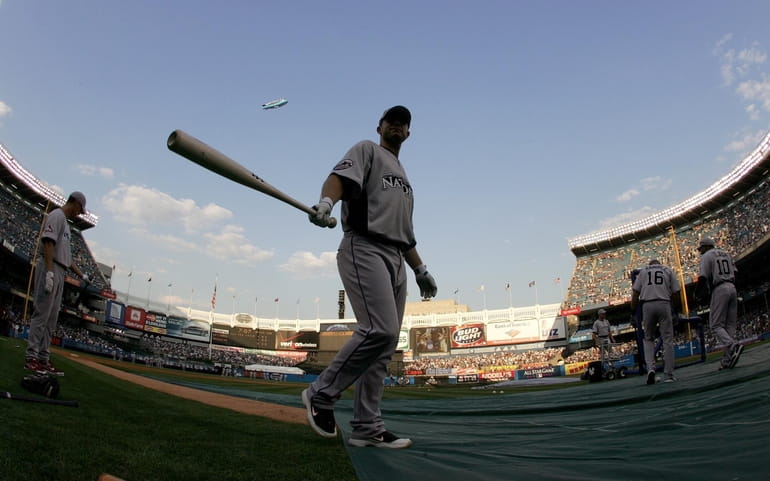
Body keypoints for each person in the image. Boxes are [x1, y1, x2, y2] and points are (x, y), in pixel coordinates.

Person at [302, 106, 437, 449]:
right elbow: (339, 179)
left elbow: (405, 233)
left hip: (396, 258)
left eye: (403, 122)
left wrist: (420, 269)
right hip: (364, 247)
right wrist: (326, 202)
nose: (397, 125)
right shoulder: (367, 150)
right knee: (380, 329)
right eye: (392, 120)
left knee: (384, 346)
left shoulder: (405, 181)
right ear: (380, 126)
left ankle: (366, 427)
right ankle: (320, 394)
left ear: (409, 133)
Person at [24, 192, 90, 376]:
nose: (79, 213)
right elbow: (48, 244)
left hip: (60, 269)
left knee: (51, 319)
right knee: (42, 315)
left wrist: (82, 275)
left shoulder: (66, 225)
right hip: (49, 266)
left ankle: (43, 358)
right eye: (80, 209)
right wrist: (49, 273)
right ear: (75, 202)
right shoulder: (56, 215)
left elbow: (67, 259)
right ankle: (31, 358)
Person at [694, 237, 743, 370]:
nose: (700, 251)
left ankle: (733, 345)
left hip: (720, 288)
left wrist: (697, 293)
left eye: (701, 248)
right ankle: (728, 359)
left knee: (715, 325)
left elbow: (703, 277)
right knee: (729, 326)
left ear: (706, 247)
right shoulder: (726, 253)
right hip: (732, 286)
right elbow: (736, 273)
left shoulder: (707, 256)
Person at [631, 259, 680, 385]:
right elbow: (676, 292)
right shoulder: (667, 270)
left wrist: (633, 313)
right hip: (664, 303)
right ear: (659, 263)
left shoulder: (643, 272)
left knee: (648, 339)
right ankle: (668, 374)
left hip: (647, 305)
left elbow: (635, 294)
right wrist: (676, 310)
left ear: (650, 265)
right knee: (668, 339)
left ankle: (650, 369)